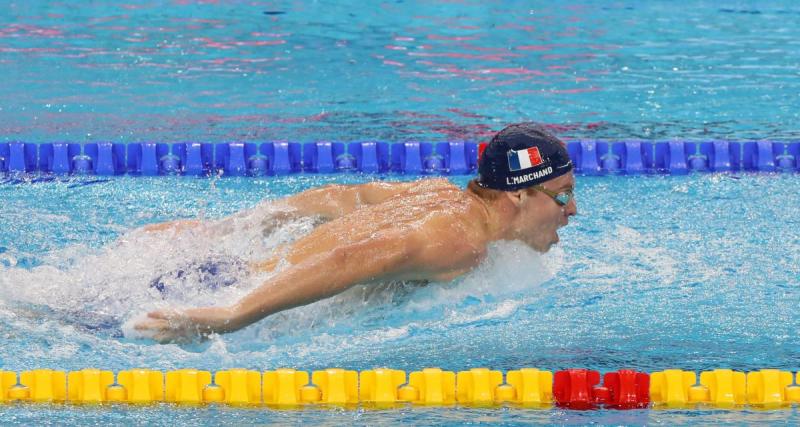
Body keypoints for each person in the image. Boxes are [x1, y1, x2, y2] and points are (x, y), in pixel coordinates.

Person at [134, 122, 577, 342]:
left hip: (219, 271)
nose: (572, 211)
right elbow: (350, 259)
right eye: (562, 195)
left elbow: (348, 197)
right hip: (220, 295)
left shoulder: (439, 194)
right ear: (518, 195)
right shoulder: (459, 244)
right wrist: (232, 315)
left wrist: (220, 229)